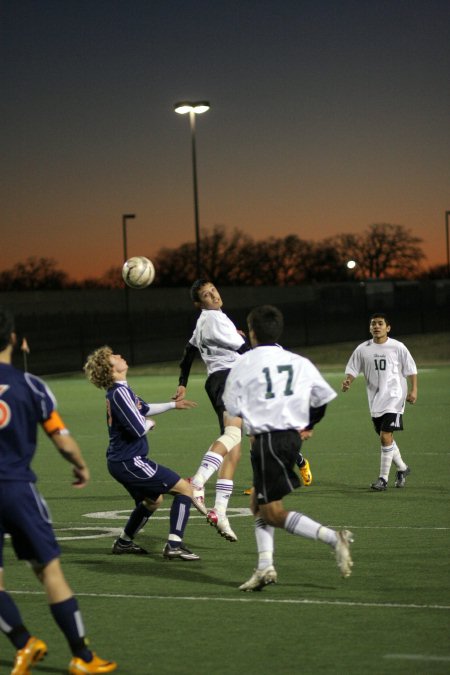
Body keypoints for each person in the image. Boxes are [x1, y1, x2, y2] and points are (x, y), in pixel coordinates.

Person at [0, 307, 117, 675]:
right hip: (17, 491)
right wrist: (80, 465)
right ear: (14, 340)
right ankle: (82, 658)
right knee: (48, 571)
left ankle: (23, 641)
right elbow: (62, 440)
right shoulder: (30, 385)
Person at [223, 305, 354, 591]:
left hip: (268, 440)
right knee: (258, 504)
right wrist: (307, 426)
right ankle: (264, 566)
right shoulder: (298, 361)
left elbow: (232, 407)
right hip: (284, 438)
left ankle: (335, 539)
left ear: (252, 333)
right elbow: (322, 398)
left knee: (271, 512)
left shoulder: (243, 363)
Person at [173, 280, 313, 543]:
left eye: (214, 289)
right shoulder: (212, 319)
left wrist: (182, 383)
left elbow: (189, 350)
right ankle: (199, 481)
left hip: (224, 380)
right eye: (206, 295)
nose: (214, 295)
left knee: (234, 449)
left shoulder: (208, 319)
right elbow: (244, 348)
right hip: (229, 379)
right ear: (199, 302)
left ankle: (221, 511)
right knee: (240, 436)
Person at [84, 346, 208, 561]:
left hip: (121, 461)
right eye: (114, 357)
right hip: (130, 462)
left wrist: (172, 405)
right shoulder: (119, 392)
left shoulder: (122, 390)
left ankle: (123, 542)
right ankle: (174, 545)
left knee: (153, 501)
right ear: (109, 368)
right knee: (185, 490)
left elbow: (143, 408)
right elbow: (138, 427)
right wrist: (149, 424)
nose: (120, 355)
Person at [342, 312, 417, 491]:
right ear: (370, 328)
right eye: (373, 324)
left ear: (387, 328)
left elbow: (411, 369)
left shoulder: (398, 347)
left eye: (380, 323)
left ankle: (382, 479)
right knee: (387, 438)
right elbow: (353, 368)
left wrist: (414, 390)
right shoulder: (363, 349)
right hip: (375, 400)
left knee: (385, 436)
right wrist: (348, 381)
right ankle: (403, 468)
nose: (376, 326)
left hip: (395, 396)